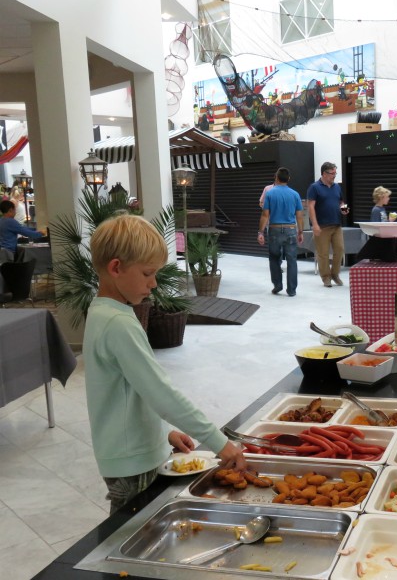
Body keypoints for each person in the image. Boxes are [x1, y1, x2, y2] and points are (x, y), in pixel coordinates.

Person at [84, 214, 246, 513]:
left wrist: (163, 434)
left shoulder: (103, 311)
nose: (154, 283)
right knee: (132, 530)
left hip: (128, 450)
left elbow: (132, 392)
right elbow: (160, 392)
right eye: (147, 273)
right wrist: (217, 441)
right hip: (133, 459)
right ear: (116, 268)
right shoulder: (119, 323)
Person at [257, 167, 304, 296]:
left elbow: (265, 215)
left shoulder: (270, 193)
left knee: (274, 258)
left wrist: (260, 232)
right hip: (290, 230)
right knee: (292, 260)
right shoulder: (295, 194)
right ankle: (292, 290)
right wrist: (300, 232)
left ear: (276, 177)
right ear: (288, 179)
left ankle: (277, 286)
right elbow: (299, 216)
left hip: (274, 229)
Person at [307, 161, 348, 287]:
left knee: (340, 249)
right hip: (322, 226)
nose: (334, 175)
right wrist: (314, 224)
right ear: (324, 173)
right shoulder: (314, 187)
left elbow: (341, 202)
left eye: (335, 173)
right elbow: (311, 206)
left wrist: (344, 208)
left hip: (336, 224)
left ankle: (335, 274)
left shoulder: (336, 187)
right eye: (332, 173)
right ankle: (326, 277)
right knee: (323, 253)